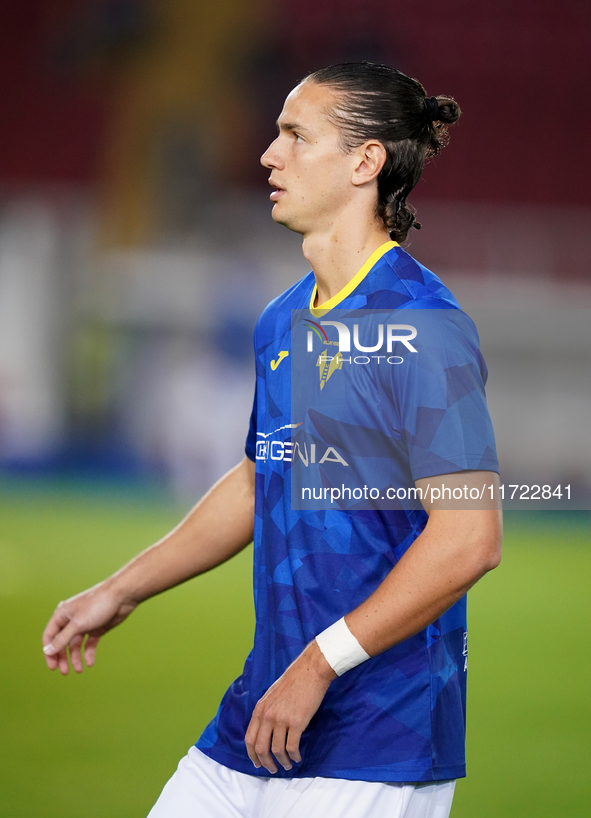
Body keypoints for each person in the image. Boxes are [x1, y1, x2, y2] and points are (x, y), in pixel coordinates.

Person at [42, 62, 502, 818]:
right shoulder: (283, 318)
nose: (266, 154)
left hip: (376, 741)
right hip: (261, 713)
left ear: (364, 161)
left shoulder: (422, 327)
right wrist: (119, 590)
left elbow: (467, 540)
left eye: (295, 134)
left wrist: (318, 666)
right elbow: (263, 478)